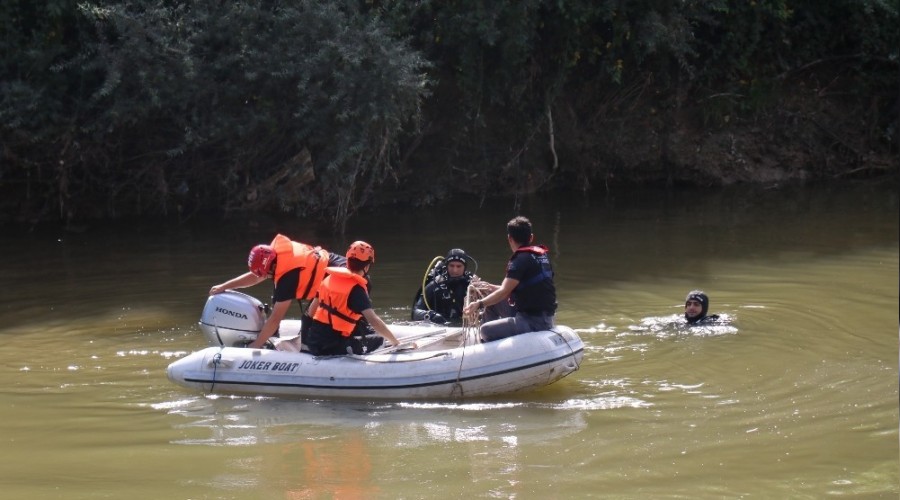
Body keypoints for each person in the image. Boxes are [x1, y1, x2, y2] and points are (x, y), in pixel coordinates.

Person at [209, 233, 344, 349]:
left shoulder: (288, 277)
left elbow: (275, 318)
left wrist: (255, 345)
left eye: (266, 274)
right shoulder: (276, 255)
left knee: (309, 324)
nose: (265, 277)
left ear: (272, 267)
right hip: (336, 269)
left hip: (340, 281)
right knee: (301, 314)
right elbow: (256, 276)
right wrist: (224, 286)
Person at [462, 216, 557, 342]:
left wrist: (479, 304)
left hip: (533, 321)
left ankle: (486, 342)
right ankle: (488, 341)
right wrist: (491, 288)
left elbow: (504, 292)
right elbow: (528, 288)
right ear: (531, 237)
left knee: (486, 330)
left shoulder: (519, 260)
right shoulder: (542, 256)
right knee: (491, 302)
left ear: (509, 238)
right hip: (546, 316)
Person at [304, 241, 400, 355]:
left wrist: (305, 341)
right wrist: (395, 342)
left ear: (347, 261)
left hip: (314, 342)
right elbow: (374, 321)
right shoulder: (356, 290)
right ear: (367, 266)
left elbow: (310, 312)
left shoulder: (328, 279)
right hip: (333, 346)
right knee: (379, 339)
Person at [411, 248, 476, 325]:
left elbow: (485, 307)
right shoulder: (434, 285)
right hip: (439, 326)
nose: (455, 270)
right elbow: (415, 312)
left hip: (464, 326)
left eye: (459, 266)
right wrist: (432, 316)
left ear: (464, 267)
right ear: (446, 266)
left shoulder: (473, 286)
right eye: (451, 266)